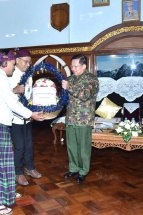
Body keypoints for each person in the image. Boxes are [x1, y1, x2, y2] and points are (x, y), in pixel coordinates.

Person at [0, 49, 44, 215]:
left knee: (6, 163)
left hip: (0, 125)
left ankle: (7, 194)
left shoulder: (1, 78)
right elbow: (12, 103)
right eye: (13, 65)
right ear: (6, 63)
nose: (14, 68)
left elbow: (11, 104)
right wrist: (31, 115)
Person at [62, 54, 99, 183]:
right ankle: (73, 168)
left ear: (84, 66)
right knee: (71, 146)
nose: (73, 69)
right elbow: (64, 97)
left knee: (83, 147)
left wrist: (69, 88)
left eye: (76, 66)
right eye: (71, 66)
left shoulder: (92, 79)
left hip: (84, 119)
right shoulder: (70, 79)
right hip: (71, 118)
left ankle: (83, 171)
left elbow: (85, 95)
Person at [9, 49, 42, 186]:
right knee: (20, 146)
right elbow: (4, 96)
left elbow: (30, 95)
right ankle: (18, 173)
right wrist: (14, 91)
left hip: (27, 116)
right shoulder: (10, 75)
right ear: (17, 60)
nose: (28, 64)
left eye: (30, 62)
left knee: (29, 144)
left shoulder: (28, 76)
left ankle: (29, 167)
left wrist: (35, 107)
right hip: (14, 118)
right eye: (26, 61)